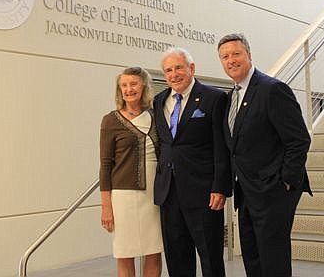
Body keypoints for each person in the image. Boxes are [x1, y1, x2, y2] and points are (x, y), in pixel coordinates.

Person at [216, 33, 312, 277]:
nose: (231, 61)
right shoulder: (231, 97)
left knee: (273, 258)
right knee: (252, 255)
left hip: (274, 189)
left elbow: (299, 140)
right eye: (225, 57)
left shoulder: (272, 89)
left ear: (249, 55)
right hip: (246, 191)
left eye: (236, 54)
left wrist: (285, 182)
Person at [153, 47, 232, 277]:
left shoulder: (214, 97)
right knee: (176, 256)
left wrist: (220, 186)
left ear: (192, 68)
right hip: (169, 192)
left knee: (210, 256)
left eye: (178, 67)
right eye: (168, 70)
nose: (174, 74)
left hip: (204, 192)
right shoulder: (160, 101)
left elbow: (221, 146)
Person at [99, 67, 163, 277]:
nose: (129, 89)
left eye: (133, 84)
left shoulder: (157, 116)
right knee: (125, 253)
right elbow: (105, 165)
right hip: (123, 197)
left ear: (144, 86)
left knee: (154, 252)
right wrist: (106, 207)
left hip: (155, 195)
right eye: (124, 85)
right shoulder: (110, 120)